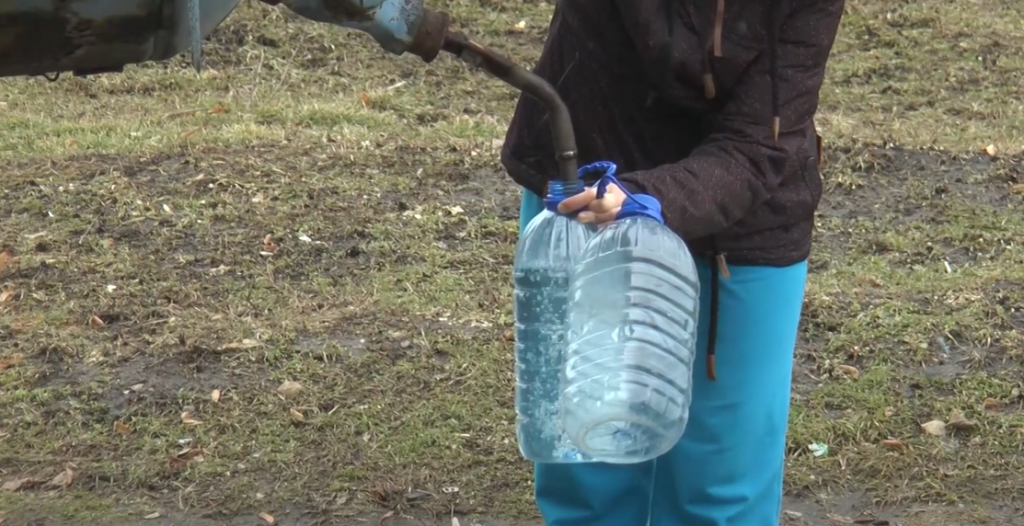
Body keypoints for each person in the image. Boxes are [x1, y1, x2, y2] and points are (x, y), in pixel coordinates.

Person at [500, 1, 846, 525]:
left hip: (743, 228)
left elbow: (757, 145)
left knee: (719, 493)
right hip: (581, 194)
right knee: (585, 462)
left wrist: (643, 197)